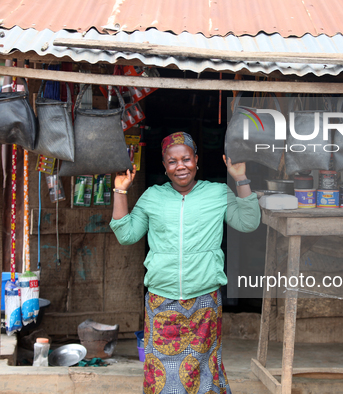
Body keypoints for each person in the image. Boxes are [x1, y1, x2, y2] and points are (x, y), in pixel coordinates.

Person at [110, 131, 260, 394]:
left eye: (186, 159)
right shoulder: (152, 197)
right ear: (164, 166)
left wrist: (241, 179)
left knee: (203, 371)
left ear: (196, 160)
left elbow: (248, 223)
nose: (180, 166)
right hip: (162, 300)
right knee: (162, 373)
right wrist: (120, 190)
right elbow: (126, 235)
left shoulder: (216, 193)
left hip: (204, 301)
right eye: (172, 161)